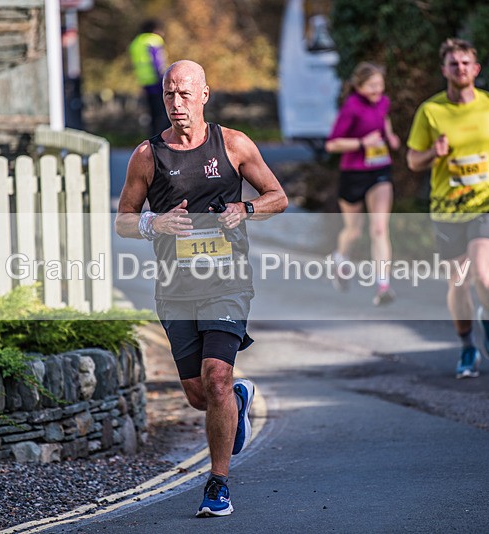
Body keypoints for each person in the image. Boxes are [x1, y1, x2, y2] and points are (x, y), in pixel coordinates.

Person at [115, 60, 288, 516]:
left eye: (185, 94)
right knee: (198, 393)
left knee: (216, 378)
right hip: (175, 287)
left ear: (205, 95)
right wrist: (156, 223)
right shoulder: (147, 155)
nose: (176, 103)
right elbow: (124, 221)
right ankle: (238, 400)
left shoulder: (232, 144)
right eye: (169, 94)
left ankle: (218, 483)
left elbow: (278, 196)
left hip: (227, 282)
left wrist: (246, 211)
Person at [406, 38, 489, 378]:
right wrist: (433, 154)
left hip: (486, 201)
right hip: (447, 208)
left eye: (466, 63)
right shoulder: (431, 111)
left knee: (483, 274)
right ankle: (468, 345)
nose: (460, 69)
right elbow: (412, 160)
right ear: (444, 70)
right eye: (454, 64)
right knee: (459, 282)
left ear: (476, 68)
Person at [325, 62, 401, 305]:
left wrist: (390, 136)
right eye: (372, 86)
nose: (378, 90)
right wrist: (361, 143)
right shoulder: (351, 108)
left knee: (379, 229)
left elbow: (383, 119)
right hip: (353, 173)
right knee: (354, 231)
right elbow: (332, 144)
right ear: (358, 87)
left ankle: (383, 286)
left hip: (379, 171)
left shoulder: (383, 102)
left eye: (380, 85)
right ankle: (340, 257)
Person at [129, 19, 172, 137]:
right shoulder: (153, 40)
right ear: (155, 30)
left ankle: (154, 138)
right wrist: (165, 77)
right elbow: (157, 61)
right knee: (164, 112)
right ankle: (166, 138)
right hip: (157, 82)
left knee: (153, 113)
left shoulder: (136, 42)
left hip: (146, 82)